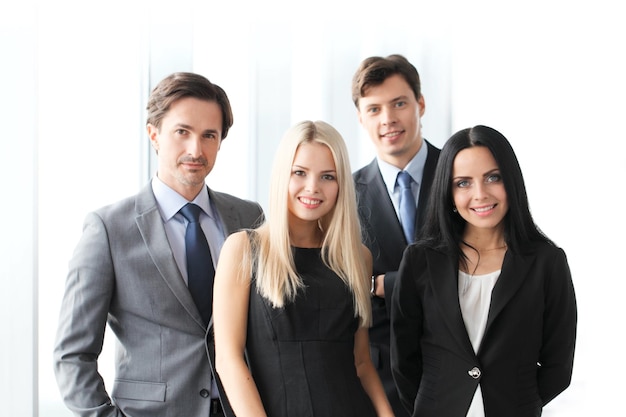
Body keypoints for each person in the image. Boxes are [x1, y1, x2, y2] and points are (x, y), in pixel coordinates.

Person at [53, 72, 264, 417]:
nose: (196, 149)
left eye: (209, 135)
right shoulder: (108, 229)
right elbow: (71, 355)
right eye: (182, 132)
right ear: (154, 134)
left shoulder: (248, 217)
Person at [390, 125, 577, 416]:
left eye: (493, 177)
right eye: (463, 183)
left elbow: (558, 367)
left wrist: (519, 403)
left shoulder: (547, 262)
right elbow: (404, 361)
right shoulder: (420, 260)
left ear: (511, 181)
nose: (480, 194)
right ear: (448, 192)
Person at [210, 120, 394, 417]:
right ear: (283, 174)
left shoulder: (357, 258)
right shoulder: (242, 249)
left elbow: (361, 363)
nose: (313, 187)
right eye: (300, 173)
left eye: (327, 176)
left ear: (341, 185)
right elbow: (228, 360)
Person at [351, 53, 441, 416]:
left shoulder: (462, 177)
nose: (387, 119)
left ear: (420, 104)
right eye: (374, 109)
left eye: (399, 103)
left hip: (460, 369)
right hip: (379, 381)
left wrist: (381, 283)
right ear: (361, 117)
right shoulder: (343, 194)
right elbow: (342, 285)